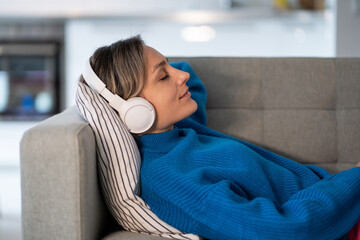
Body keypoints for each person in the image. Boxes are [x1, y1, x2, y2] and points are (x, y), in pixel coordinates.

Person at [82, 35, 360, 240]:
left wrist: (152, 69)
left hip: (345, 206)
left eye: (169, 67)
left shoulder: (177, 130)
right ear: (134, 110)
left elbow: (192, 78)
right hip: (342, 224)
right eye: (163, 77)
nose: (182, 76)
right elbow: (280, 230)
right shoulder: (168, 178)